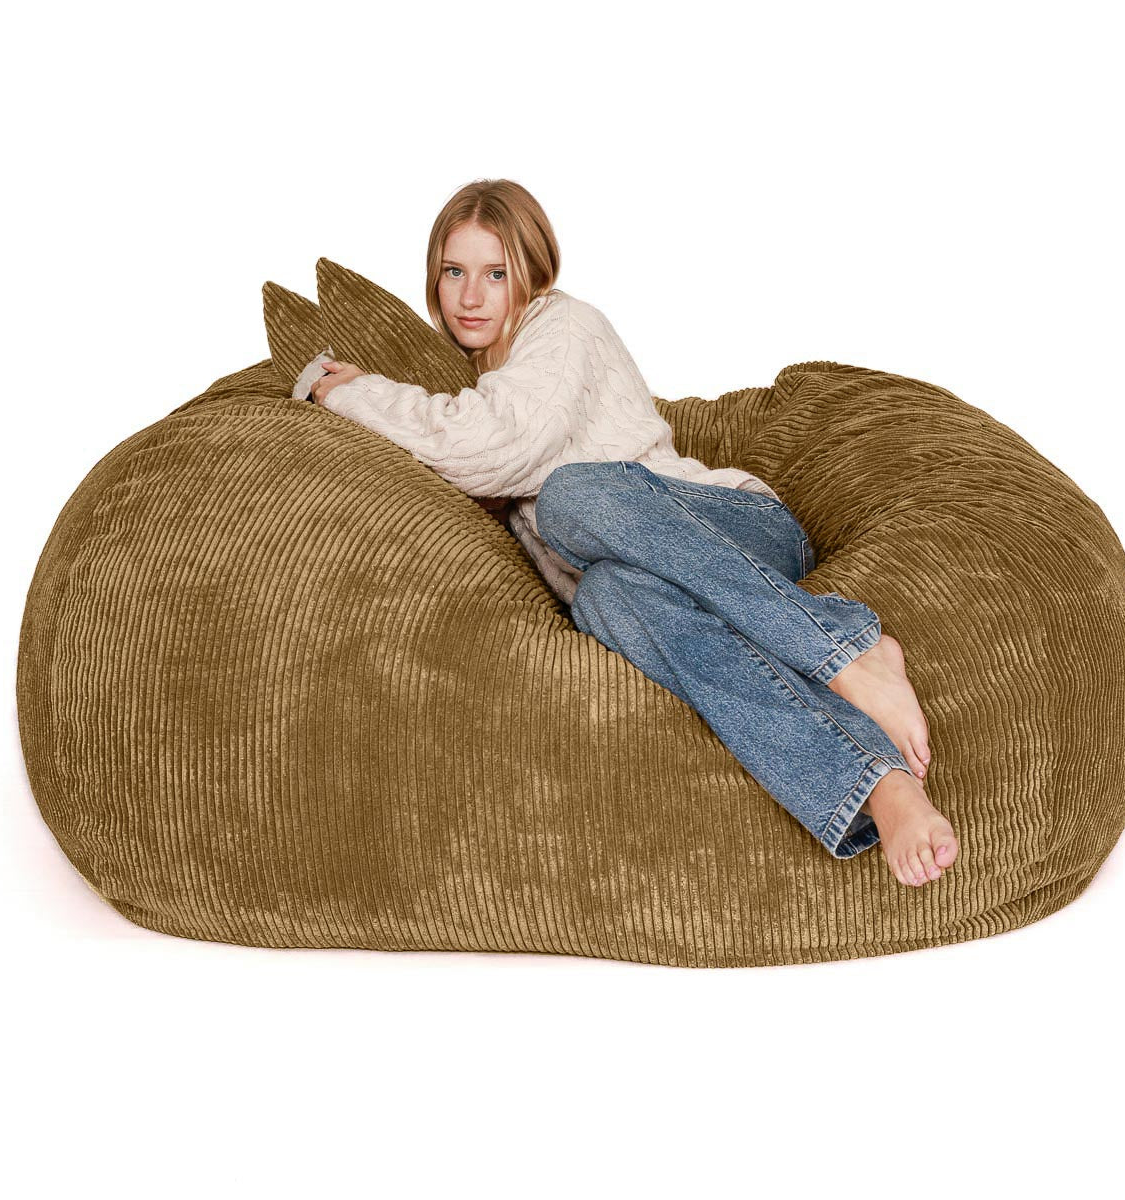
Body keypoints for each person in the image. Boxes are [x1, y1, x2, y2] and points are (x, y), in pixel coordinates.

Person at [293, 178, 959, 888]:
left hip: (738, 529)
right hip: (652, 578)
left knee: (572, 496)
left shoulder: (560, 326)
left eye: (495, 274)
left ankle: (847, 654)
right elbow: (468, 436)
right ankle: (877, 787)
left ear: (532, 275)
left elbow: (488, 442)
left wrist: (348, 391)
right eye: (454, 272)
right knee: (603, 597)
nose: (470, 297)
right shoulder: (482, 379)